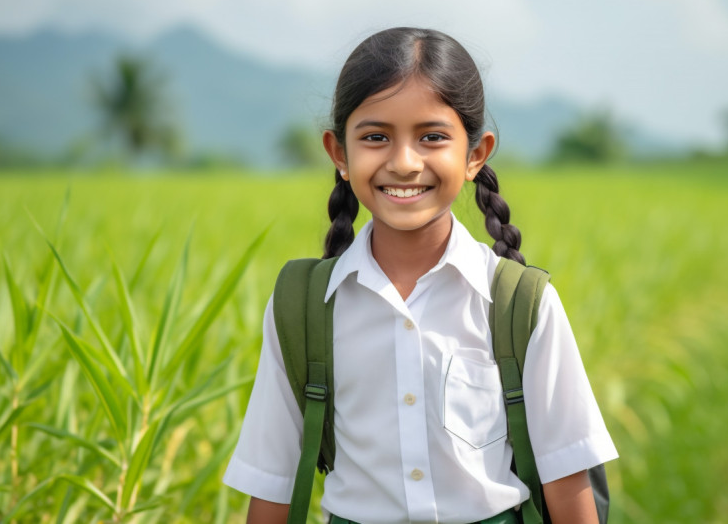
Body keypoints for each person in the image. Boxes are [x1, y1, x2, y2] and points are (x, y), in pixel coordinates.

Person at [223, 27, 618, 524]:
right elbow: (272, 484)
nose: (405, 163)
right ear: (339, 154)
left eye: (432, 137)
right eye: (375, 137)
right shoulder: (303, 307)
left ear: (475, 154)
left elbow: (567, 485)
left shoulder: (521, 303)